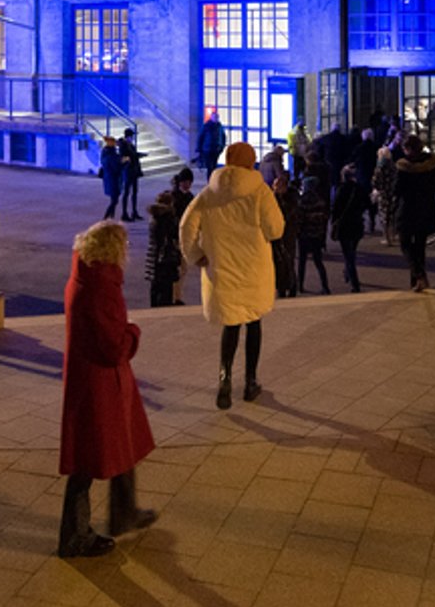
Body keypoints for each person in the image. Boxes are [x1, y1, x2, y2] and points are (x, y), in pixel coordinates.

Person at [57, 221, 158, 558]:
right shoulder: (102, 287)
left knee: (120, 442)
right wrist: (133, 333)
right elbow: (113, 345)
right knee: (87, 458)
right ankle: (75, 535)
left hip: (93, 379)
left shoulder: (84, 274)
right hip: (100, 384)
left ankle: (124, 512)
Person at [178, 141, 285, 409]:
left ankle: (224, 380)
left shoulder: (208, 193)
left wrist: (196, 255)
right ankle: (250, 382)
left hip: (222, 269)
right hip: (254, 270)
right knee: (253, 322)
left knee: (231, 324)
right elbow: (275, 229)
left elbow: (186, 227)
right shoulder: (260, 191)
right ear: (251, 162)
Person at [393, 135, 435, 291]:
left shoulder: (404, 168)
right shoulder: (432, 164)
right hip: (426, 209)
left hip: (408, 210)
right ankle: (417, 282)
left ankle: (419, 277)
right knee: (420, 246)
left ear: (408, 149)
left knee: (405, 244)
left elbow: (397, 190)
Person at [145, 169, 195, 307]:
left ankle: (175, 297)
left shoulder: (189, 197)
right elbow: (166, 235)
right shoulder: (168, 213)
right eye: (185, 181)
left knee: (179, 272)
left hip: (169, 248)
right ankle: (173, 298)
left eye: (189, 182)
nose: (187, 184)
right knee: (172, 275)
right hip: (169, 252)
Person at [294, 166, 332, 295]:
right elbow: (324, 217)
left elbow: (299, 218)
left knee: (302, 261)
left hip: (304, 235)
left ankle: (300, 285)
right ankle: (325, 285)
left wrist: (297, 231)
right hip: (316, 234)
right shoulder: (320, 200)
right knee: (318, 261)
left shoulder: (302, 201)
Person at [331, 164, 368, 293]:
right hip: (357, 224)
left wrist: (333, 221)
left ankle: (354, 283)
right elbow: (366, 204)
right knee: (352, 252)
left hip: (345, 225)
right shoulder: (359, 189)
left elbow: (336, 208)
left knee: (348, 255)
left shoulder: (341, 189)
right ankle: (348, 273)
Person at [119, 128, 144, 221]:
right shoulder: (123, 145)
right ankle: (124, 213)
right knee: (126, 192)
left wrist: (139, 155)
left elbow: (133, 155)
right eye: (131, 136)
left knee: (134, 192)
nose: (132, 138)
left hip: (134, 170)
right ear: (128, 136)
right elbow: (123, 158)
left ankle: (134, 212)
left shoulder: (130, 145)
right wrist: (131, 157)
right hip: (128, 171)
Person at [194, 111, 227, 176]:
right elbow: (201, 137)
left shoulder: (219, 126)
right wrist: (199, 148)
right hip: (208, 149)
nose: (216, 119)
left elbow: (223, 136)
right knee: (210, 167)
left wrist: (222, 147)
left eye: (217, 117)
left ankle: (212, 179)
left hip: (216, 149)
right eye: (214, 117)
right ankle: (210, 180)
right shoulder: (206, 126)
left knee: (214, 165)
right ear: (211, 117)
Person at [98, 137, 123, 220]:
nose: (115, 144)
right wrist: (123, 162)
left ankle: (111, 218)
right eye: (113, 142)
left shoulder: (110, 152)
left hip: (112, 178)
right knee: (114, 200)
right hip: (112, 179)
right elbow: (115, 166)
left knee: (114, 200)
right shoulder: (109, 153)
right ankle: (105, 218)